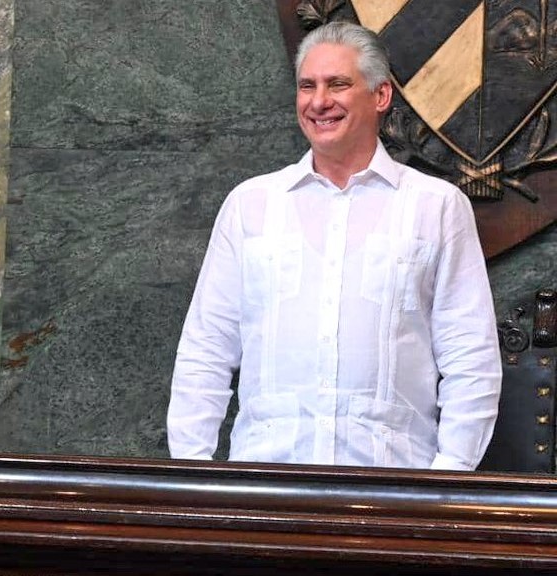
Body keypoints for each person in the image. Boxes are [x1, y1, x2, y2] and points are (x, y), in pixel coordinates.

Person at [166, 22, 501, 470]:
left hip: (395, 495)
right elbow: (205, 352)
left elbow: (471, 359)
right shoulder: (250, 205)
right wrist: (194, 475)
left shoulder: (436, 207)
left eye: (338, 84)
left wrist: (445, 482)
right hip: (264, 489)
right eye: (307, 86)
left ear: (381, 96)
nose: (319, 101)